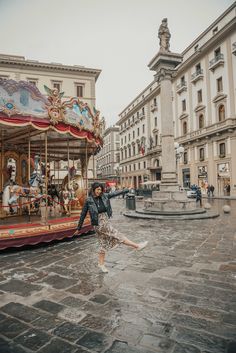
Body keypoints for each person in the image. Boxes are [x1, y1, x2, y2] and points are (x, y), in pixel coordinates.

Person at [76, 182, 148, 273]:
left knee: (103, 243)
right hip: (98, 224)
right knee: (117, 234)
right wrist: (79, 228)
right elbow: (83, 214)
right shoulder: (89, 200)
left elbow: (116, 193)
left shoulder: (105, 196)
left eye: (100, 189)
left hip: (105, 220)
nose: (99, 191)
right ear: (93, 189)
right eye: (97, 189)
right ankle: (136, 246)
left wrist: (127, 189)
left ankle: (101, 264)